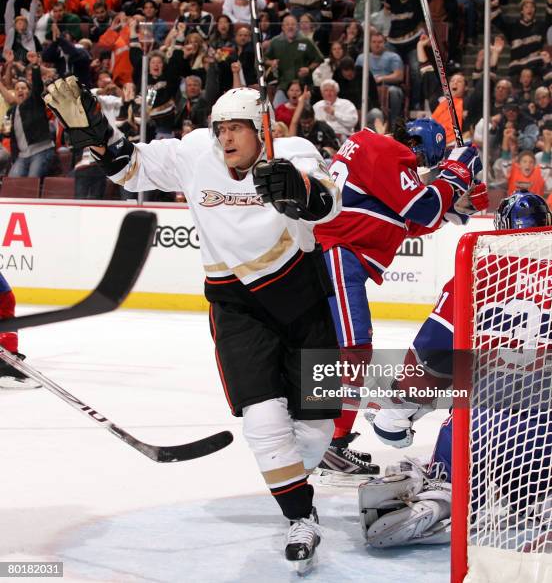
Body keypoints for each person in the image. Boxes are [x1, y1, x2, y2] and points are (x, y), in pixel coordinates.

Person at [44, 80, 342, 573]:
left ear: (261, 129)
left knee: (316, 430)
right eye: (220, 129)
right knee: (264, 422)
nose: (225, 139)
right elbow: (130, 166)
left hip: (303, 298)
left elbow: (327, 201)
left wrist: (295, 188)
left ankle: (294, 478)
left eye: (236, 130)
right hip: (236, 304)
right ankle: (298, 514)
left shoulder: (294, 152)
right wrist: (95, 132)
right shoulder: (193, 153)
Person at [359, 191, 552, 547]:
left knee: (452, 470)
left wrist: (397, 412)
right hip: (547, 437)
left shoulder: (480, 271)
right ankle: (536, 500)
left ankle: (437, 501)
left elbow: (432, 356)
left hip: (482, 427)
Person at [313, 118, 484, 476]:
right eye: (423, 161)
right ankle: (327, 443)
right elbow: (421, 208)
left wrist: (457, 203)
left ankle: (328, 439)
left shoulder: (369, 148)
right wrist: (455, 172)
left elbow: (406, 216)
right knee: (352, 352)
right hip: (338, 254)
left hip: (338, 254)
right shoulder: (386, 150)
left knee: (348, 352)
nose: (419, 168)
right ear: (419, 145)